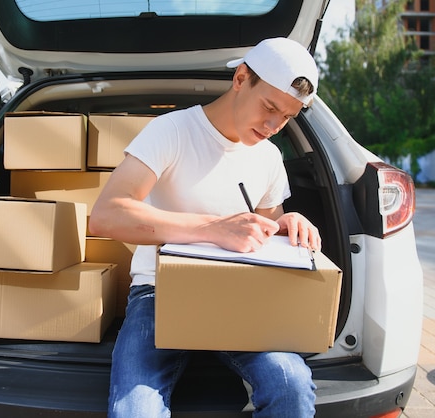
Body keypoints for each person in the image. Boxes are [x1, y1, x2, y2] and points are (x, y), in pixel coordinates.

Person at [89, 37, 322, 418]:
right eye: (269, 107)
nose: (274, 125)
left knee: (291, 387)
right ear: (241, 78)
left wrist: (286, 224)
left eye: (287, 117)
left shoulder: (268, 156)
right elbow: (107, 214)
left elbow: (265, 229)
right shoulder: (172, 131)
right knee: (135, 410)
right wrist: (214, 227)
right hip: (158, 294)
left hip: (239, 296)